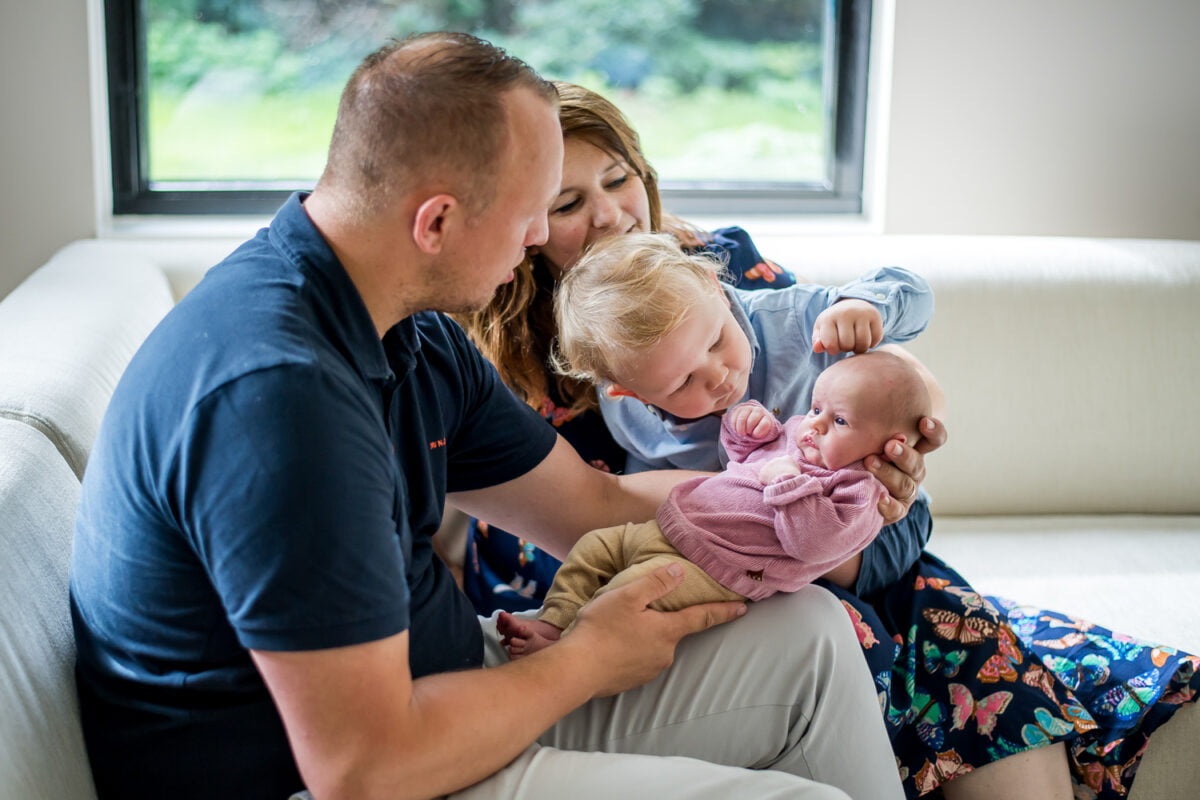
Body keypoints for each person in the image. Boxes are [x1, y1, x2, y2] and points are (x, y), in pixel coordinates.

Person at [68, 32, 909, 800]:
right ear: (436, 220)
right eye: (532, 208)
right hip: (329, 771)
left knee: (811, 636)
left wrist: (816, 477)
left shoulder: (409, 331)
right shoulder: (280, 403)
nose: (544, 235)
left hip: (444, 691)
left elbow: (590, 510)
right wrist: (583, 661)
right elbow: (360, 771)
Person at [453, 81, 1200, 799]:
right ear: (524, 219)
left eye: (619, 179)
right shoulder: (512, 340)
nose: (613, 215)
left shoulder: (718, 262)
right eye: (568, 203)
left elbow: (854, 349)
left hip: (817, 514)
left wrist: (898, 429)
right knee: (855, 634)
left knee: (954, 623)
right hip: (655, 551)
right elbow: (591, 505)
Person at [501, 348, 932, 658]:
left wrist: (789, 486)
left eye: (838, 420)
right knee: (594, 550)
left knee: (627, 594)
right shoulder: (803, 436)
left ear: (889, 444)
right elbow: (742, 462)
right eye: (816, 406)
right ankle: (553, 622)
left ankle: (565, 652)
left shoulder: (860, 492)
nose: (813, 424)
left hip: (719, 570)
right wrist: (748, 433)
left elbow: (815, 544)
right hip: (674, 528)